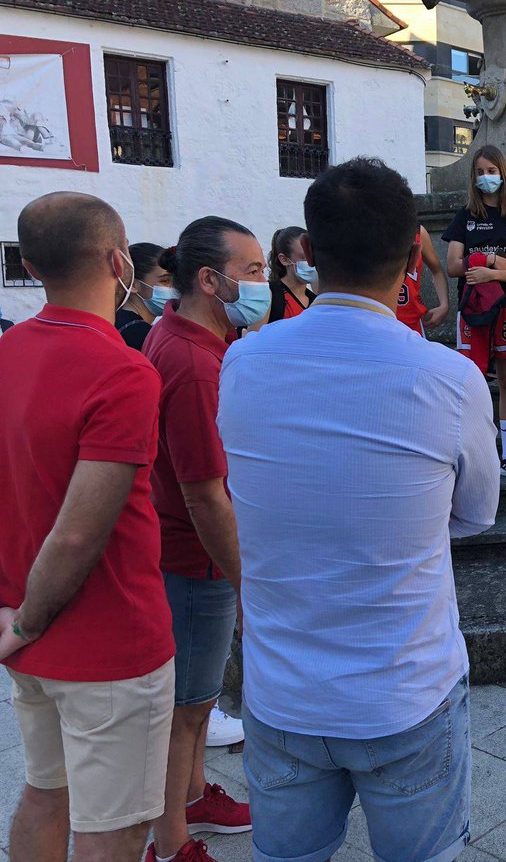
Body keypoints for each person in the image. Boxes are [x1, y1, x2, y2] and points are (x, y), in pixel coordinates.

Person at [218, 156, 498, 862]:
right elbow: (475, 514)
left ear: (307, 253)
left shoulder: (243, 362)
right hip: (405, 690)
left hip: (283, 692)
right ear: (412, 256)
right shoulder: (449, 377)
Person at [0, 193, 174, 860]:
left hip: (29, 634)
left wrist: (15, 616)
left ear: (32, 265)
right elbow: (79, 532)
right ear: (117, 260)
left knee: (46, 794)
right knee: (114, 835)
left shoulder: (9, 348)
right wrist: (30, 620)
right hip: (108, 643)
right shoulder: (123, 370)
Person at [142, 217, 266, 862]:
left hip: (193, 558)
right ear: (207, 279)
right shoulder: (192, 363)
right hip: (194, 562)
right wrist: (246, 579)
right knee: (184, 711)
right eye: (250, 271)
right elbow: (203, 491)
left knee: (197, 696)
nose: (262, 282)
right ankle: (171, 843)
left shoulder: (197, 341)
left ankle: (193, 797)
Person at [444, 144, 506, 482]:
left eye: (492, 171)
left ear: (504, 174)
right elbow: (453, 265)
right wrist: (486, 260)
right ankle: (475, 451)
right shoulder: (465, 217)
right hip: (473, 308)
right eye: (481, 172)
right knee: (472, 381)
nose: (487, 177)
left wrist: (493, 273)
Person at [116, 241, 177, 351]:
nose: (173, 288)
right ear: (133, 284)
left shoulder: (117, 319)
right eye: (165, 281)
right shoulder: (138, 333)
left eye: (176, 281)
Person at [395, 225, 450, 337]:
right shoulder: (363, 228)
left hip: (411, 323)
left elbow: (437, 270)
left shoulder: (417, 231)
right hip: (376, 317)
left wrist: (444, 304)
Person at [261, 226, 315, 326]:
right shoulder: (269, 294)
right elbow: (252, 338)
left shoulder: (315, 301)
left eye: (313, 256)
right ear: (284, 260)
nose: (311, 262)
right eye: (304, 257)